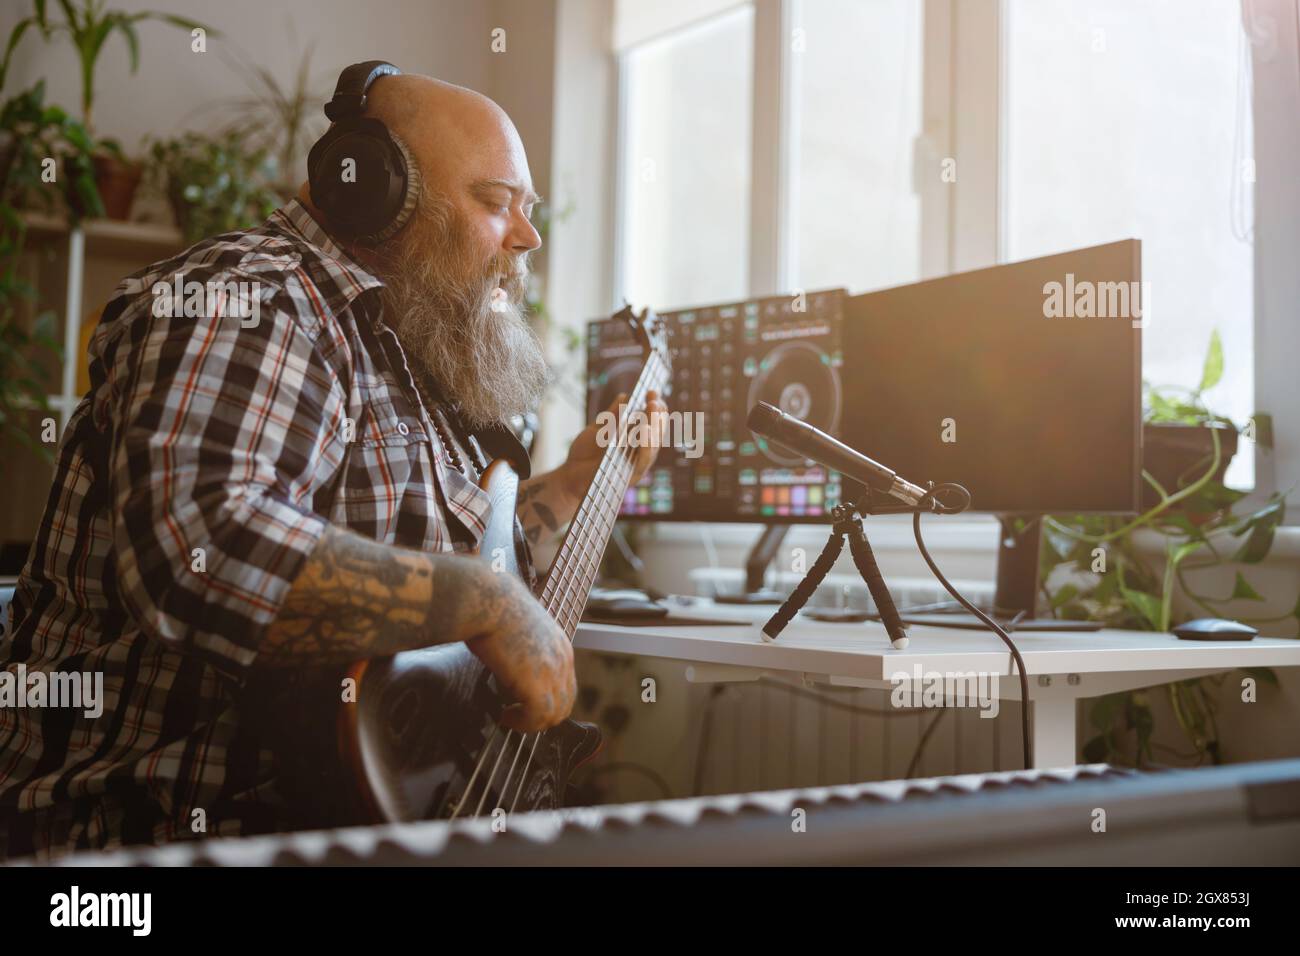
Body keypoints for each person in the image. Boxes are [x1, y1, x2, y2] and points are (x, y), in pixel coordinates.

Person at [0, 65, 665, 861]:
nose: (528, 238)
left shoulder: (406, 353)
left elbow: (440, 572)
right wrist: (489, 603)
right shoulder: (252, 298)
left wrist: (574, 487)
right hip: (154, 836)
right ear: (376, 190)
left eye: (530, 211)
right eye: (496, 203)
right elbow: (205, 544)